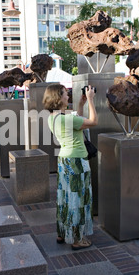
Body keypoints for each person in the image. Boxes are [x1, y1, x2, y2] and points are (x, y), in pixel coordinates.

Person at [43, 83, 98, 250]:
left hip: (64, 161)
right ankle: (77, 239)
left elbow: (77, 123)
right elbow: (93, 122)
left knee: (65, 199)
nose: (68, 96)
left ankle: (62, 232)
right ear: (59, 98)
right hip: (77, 162)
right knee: (78, 200)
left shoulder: (54, 118)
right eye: (66, 94)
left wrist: (80, 105)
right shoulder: (66, 119)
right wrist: (90, 100)